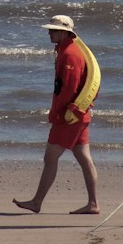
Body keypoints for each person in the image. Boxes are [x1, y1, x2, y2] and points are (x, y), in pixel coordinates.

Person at [14, 13, 99, 216]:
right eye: (49, 30)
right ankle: (93, 204)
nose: (49, 33)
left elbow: (68, 89)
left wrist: (56, 113)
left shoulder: (70, 54)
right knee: (85, 159)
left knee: (50, 157)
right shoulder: (67, 50)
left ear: (64, 32)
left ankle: (36, 202)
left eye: (53, 30)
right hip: (80, 116)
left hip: (69, 117)